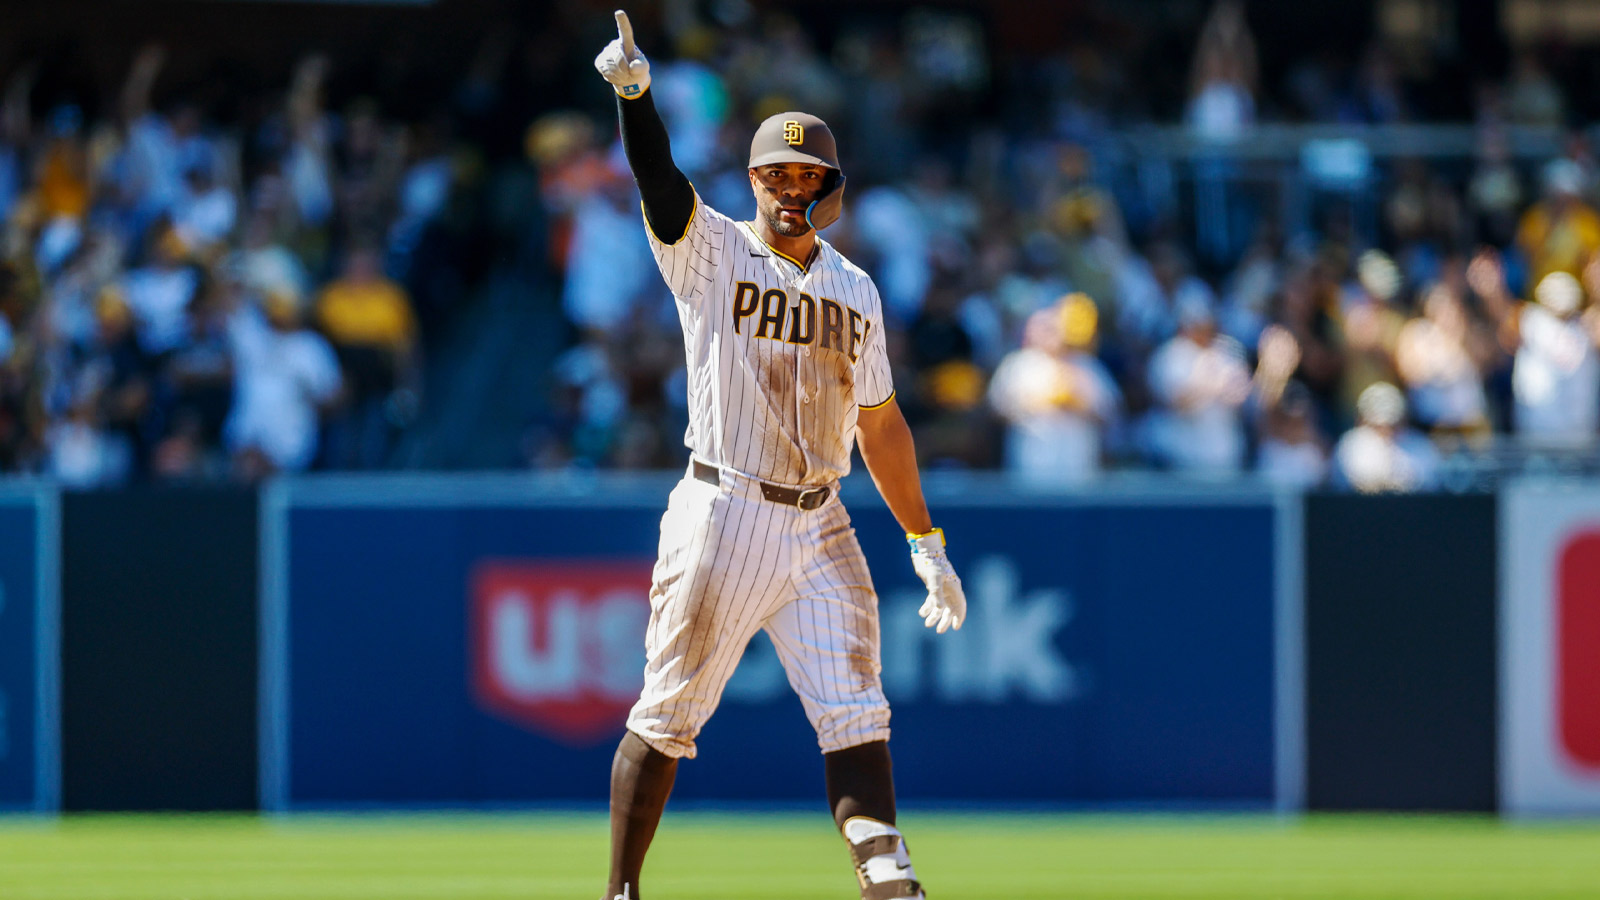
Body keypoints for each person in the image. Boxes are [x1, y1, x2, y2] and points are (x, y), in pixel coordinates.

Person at [593, 12, 967, 900]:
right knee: (669, 714)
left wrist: (925, 540)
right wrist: (636, 100)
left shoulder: (856, 288)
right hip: (725, 508)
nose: (791, 187)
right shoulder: (714, 250)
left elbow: (881, 423)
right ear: (753, 180)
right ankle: (620, 892)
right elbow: (661, 184)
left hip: (821, 516)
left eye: (807, 174)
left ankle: (887, 875)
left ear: (831, 185)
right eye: (776, 173)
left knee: (857, 711)